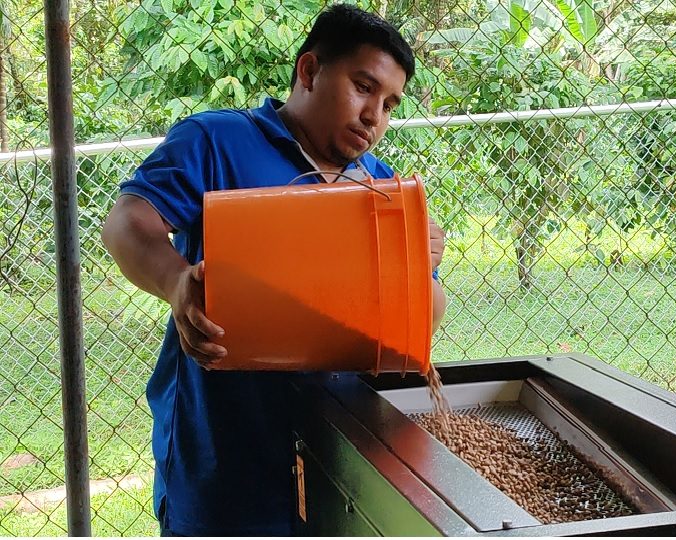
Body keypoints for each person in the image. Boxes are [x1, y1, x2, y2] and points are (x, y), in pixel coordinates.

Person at [101, 5, 447, 536]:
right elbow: (128, 223)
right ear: (309, 71)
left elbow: (425, 314)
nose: (374, 115)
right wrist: (175, 282)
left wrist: (417, 265)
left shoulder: (381, 188)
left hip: (341, 457)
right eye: (362, 87)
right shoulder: (217, 141)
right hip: (223, 455)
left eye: (389, 103)